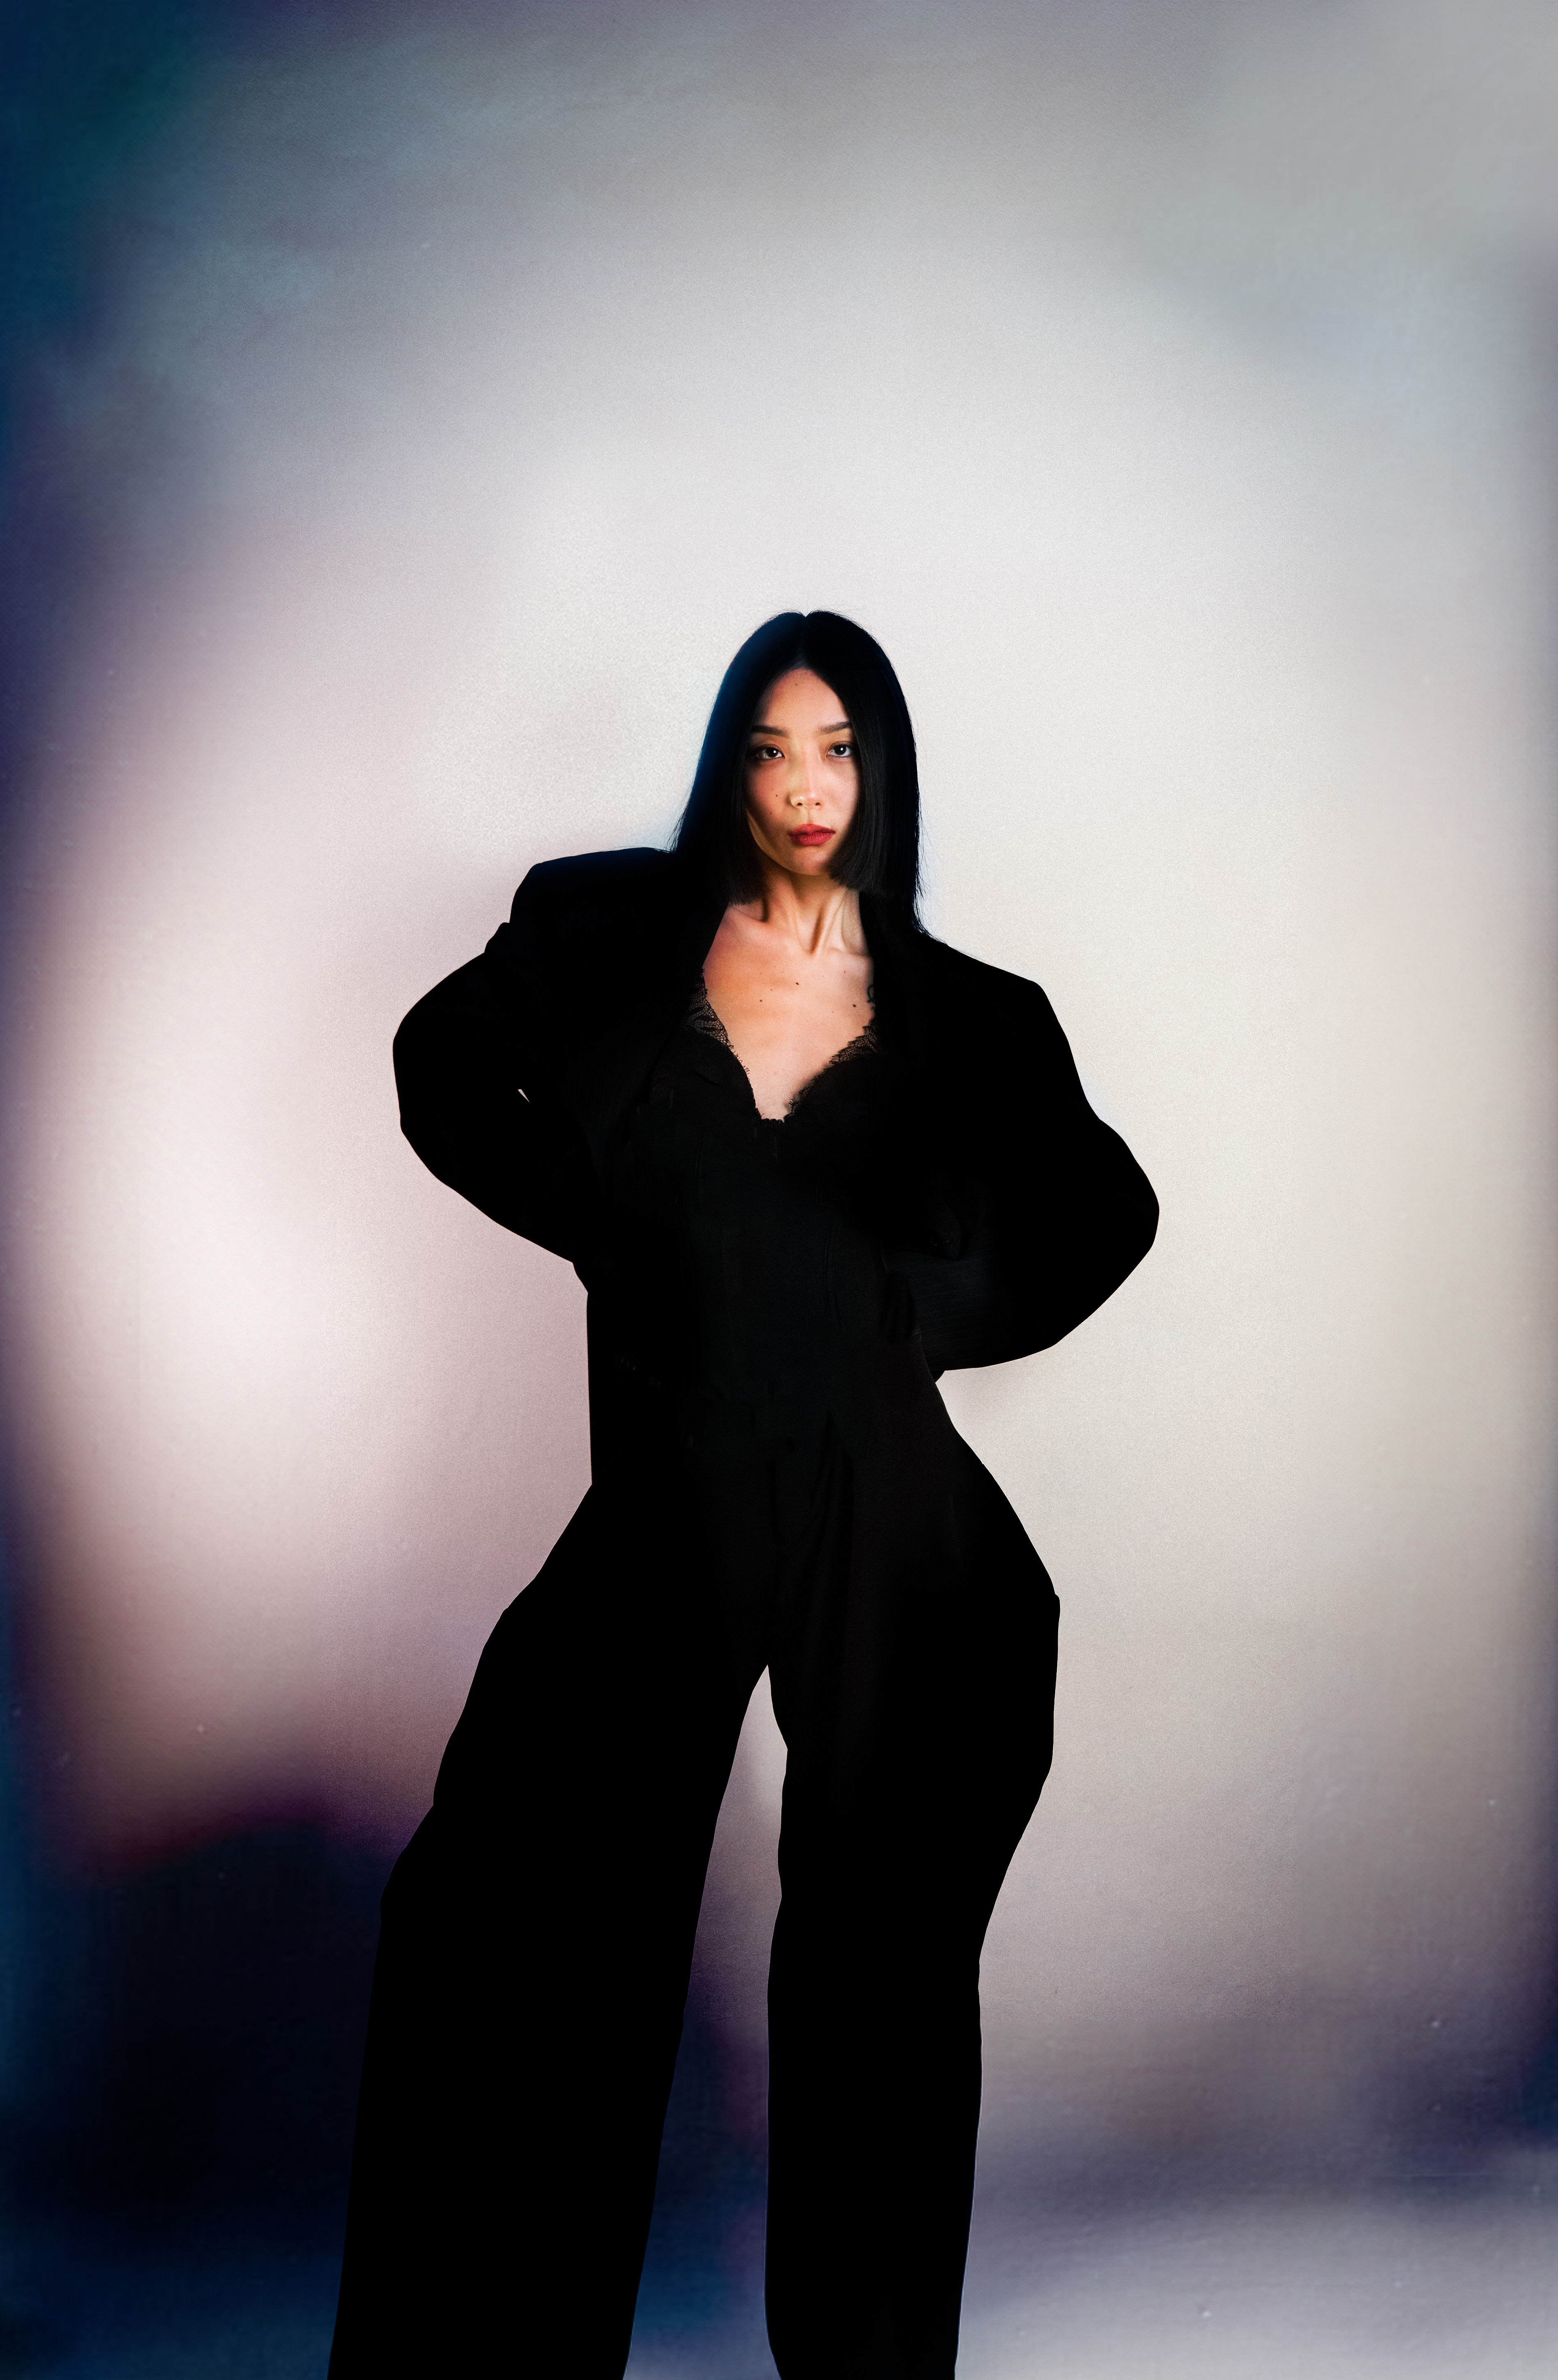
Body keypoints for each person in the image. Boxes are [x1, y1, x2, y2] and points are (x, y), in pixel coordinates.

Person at [327, 611, 1158, 2379]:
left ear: (885, 770)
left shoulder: (971, 1017)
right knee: (509, 1922)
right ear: (730, 762)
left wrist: (927, 1312)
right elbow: (438, 1065)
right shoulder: (611, 933)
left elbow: (1108, 1210)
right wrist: (604, 1229)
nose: (805, 784)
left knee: (880, 1991)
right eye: (773, 746)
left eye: (839, 747)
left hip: (891, 1522)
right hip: (677, 1497)